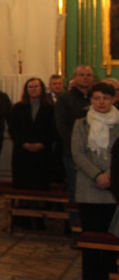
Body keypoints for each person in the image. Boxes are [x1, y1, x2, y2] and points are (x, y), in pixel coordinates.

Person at [70, 81, 119, 280]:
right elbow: (78, 154)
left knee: (112, 237)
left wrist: (110, 175)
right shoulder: (81, 124)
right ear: (91, 100)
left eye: (106, 98)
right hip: (89, 186)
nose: (101, 102)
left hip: (114, 187)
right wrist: (97, 175)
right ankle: (91, 279)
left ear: (114, 99)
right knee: (91, 234)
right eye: (97, 98)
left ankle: (111, 278)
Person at [8, 77, 55, 191]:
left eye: (36, 86)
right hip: (22, 152)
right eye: (30, 87)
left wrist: (42, 144)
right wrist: (24, 144)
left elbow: (53, 130)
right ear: (26, 90)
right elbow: (13, 129)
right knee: (23, 183)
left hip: (42, 152)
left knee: (41, 183)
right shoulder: (18, 107)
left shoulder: (50, 108)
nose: (33, 89)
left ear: (42, 89)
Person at [55, 65, 94, 200]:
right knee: (76, 190)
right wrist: (78, 145)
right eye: (81, 75)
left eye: (88, 75)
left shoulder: (96, 98)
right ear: (74, 78)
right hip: (73, 152)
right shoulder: (65, 98)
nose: (85, 78)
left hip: (94, 154)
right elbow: (62, 126)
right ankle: (74, 221)